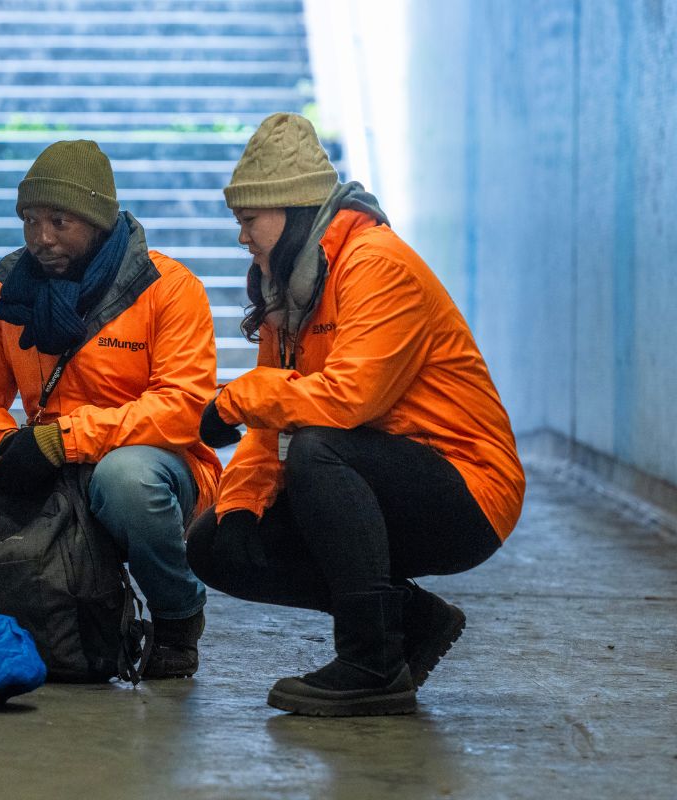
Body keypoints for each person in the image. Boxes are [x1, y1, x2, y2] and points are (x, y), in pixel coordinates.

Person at [188, 113, 526, 716]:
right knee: (216, 545)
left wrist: (234, 398)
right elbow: (272, 427)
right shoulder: (289, 289)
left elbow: (348, 400)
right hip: (371, 478)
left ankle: (372, 662)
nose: (241, 238)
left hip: (467, 489)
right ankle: (410, 620)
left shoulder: (376, 264)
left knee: (322, 446)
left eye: (247, 221)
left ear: (288, 210)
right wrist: (239, 506)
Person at [0, 140, 220, 679]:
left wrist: (63, 438)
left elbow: (184, 406)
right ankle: (55, 591)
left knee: (127, 481)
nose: (42, 238)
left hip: (146, 466)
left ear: (97, 221)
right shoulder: (5, 293)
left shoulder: (169, 289)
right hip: (44, 462)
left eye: (60, 221)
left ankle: (179, 615)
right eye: (30, 220)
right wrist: (4, 443)